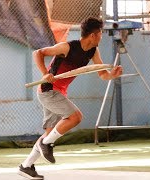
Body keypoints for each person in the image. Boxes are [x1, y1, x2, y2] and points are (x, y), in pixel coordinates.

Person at [18, 17, 123, 179]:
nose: (102, 36)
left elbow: (102, 74)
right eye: (101, 33)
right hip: (49, 90)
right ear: (94, 35)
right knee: (75, 117)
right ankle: (45, 144)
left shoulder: (93, 51)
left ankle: (26, 166)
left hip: (59, 92)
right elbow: (38, 53)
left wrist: (112, 75)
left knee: (50, 132)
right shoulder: (67, 47)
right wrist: (46, 74)